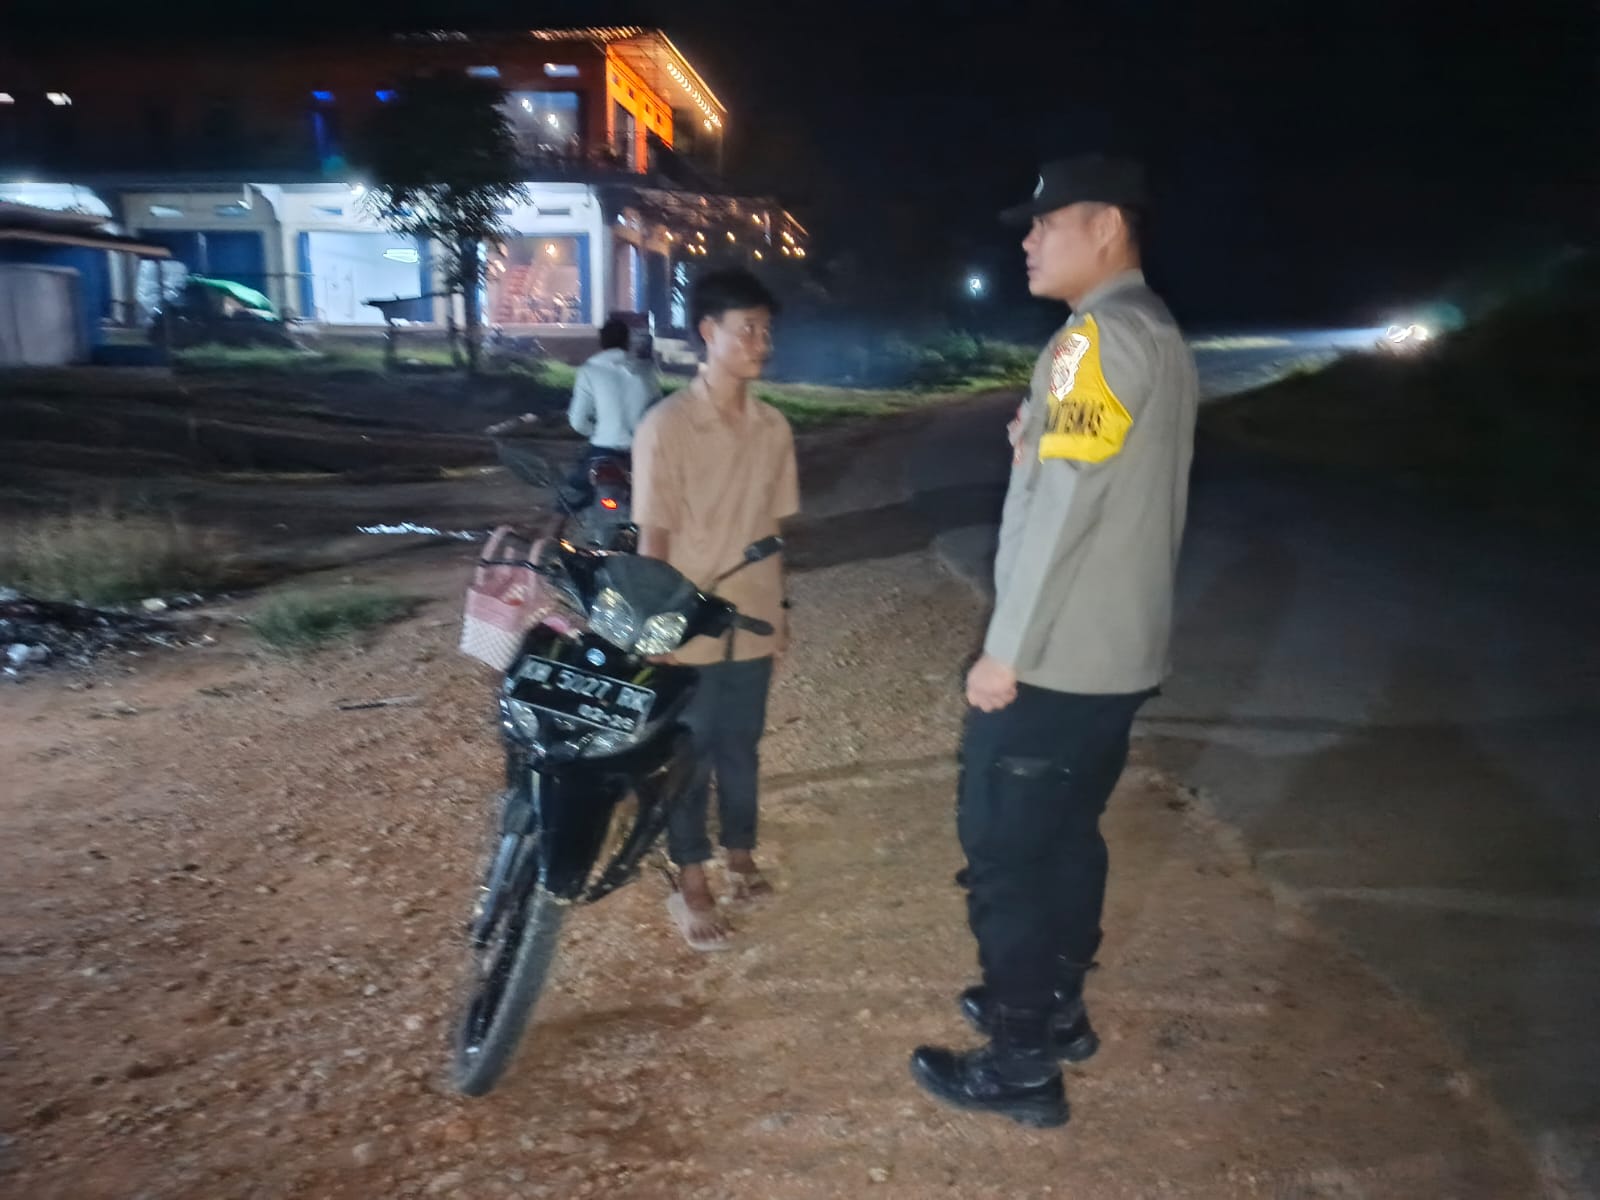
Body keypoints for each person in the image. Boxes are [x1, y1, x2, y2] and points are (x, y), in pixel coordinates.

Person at [909, 155, 1200, 1127]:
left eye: (1045, 222)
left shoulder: (1094, 338)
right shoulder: (1152, 328)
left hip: (1058, 656)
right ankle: (1056, 1008)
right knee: (1067, 837)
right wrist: (1033, 452)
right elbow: (1096, 474)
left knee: (1006, 854)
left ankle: (1021, 1060)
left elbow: (1071, 503)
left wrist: (1007, 650)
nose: (1028, 240)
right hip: (1117, 654)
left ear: (1105, 225)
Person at [631, 269, 799, 951]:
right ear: (707, 332)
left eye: (766, 329)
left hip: (752, 613)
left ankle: (741, 856)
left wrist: (780, 611)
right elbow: (653, 537)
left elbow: (773, 529)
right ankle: (691, 880)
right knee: (688, 755)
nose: (761, 342)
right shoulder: (666, 426)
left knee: (741, 745)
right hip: (687, 618)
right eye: (747, 329)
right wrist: (656, 626)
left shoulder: (773, 427)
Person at [563, 317, 654, 509]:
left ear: (601, 342)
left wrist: (598, 431)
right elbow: (658, 409)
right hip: (642, 450)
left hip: (603, 450)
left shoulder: (590, 370)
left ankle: (554, 526)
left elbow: (577, 421)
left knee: (572, 493)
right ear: (627, 341)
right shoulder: (645, 370)